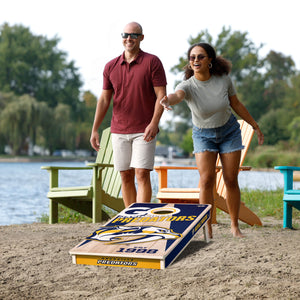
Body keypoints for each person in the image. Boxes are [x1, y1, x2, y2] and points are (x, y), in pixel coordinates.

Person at [160, 43, 264, 238]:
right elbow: (177, 96)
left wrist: (254, 125)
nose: (196, 60)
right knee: (206, 180)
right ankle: (206, 227)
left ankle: (234, 226)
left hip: (229, 132)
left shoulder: (223, 80)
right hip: (203, 135)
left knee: (230, 179)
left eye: (200, 57)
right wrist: (167, 100)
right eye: (192, 58)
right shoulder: (187, 85)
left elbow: (236, 104)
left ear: (209, 60)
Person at [90, 22, 167, 208]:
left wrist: (154, 123)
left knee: (141, 173)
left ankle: (141, 218)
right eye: (125, 34)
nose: (129, 38)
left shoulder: (152, 62)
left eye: (134, 35)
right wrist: (94, 130)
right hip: (119, 130)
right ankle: (130, 219)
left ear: (141, 37)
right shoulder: (111, 66)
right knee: (125, 175)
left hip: (144, 129)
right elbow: (104, 100)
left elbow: (161, 96)